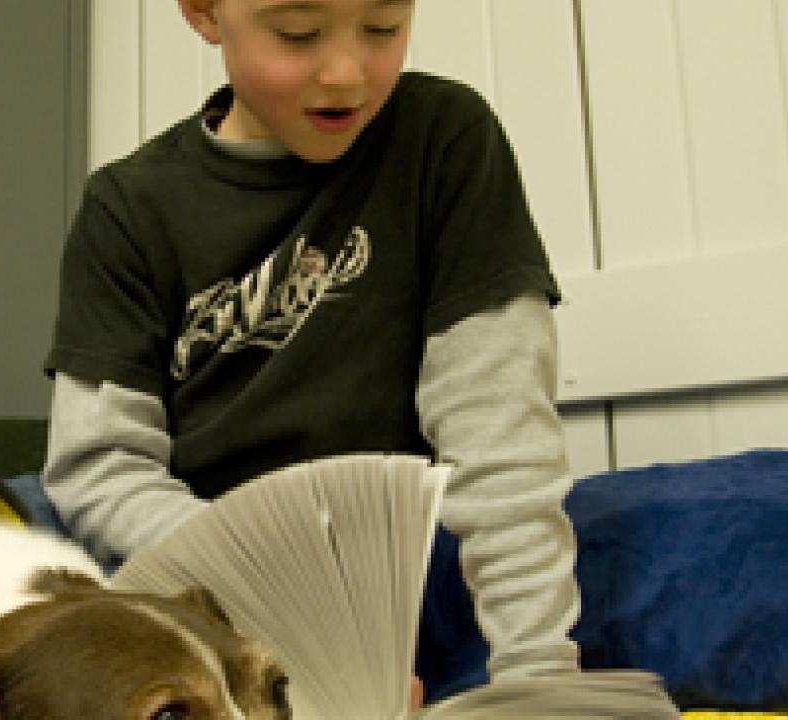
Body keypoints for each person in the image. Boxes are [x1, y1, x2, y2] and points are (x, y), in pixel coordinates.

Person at [42, 0, 582, 701]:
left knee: (658, 531)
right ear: (204, 12)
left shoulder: (445, 138)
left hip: (398, 560)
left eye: (384, 26)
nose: (346, 73)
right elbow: (99, 465)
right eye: (298, 33)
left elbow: (500, 435)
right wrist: (309, 634)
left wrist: (539, 679)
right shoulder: (126, 207)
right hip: (203, 577)